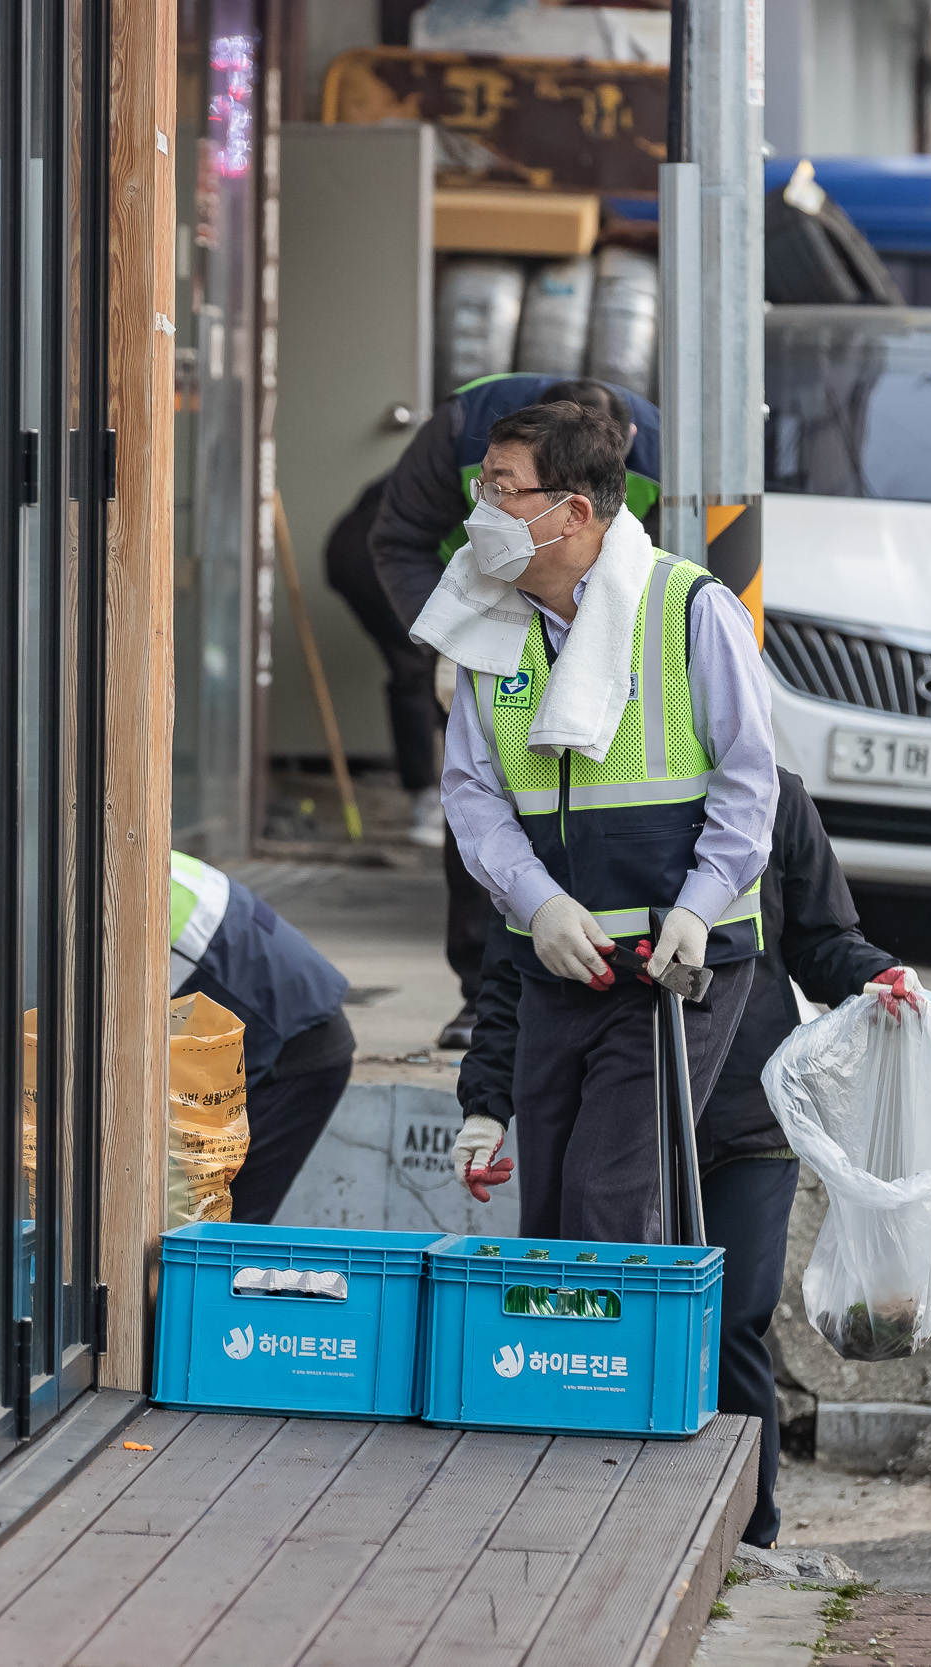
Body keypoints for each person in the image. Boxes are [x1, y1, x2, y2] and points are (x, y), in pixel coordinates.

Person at [454, 768, 922, 1548]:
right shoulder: (573, 798)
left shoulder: (771, 797)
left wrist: (877, 976)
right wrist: (483, 1106)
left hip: (743, 1120)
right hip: (607, 1117)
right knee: (603, 1318)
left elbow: (819, 937)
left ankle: (747, 1533)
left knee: (733, 1320)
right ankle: (602, 1514)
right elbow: (515, 974)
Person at [426, 397, 774, 1243]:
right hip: (558, 964)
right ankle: (559, 1374)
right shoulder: (489, 621)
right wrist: (537, 904)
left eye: (503, 489)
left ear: (573, 512)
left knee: (607, 1204)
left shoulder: (689, 608)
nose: (482, 510)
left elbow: (752, 783)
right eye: (483, 484)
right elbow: (473, 793)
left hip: (672, 968)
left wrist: (698, 907)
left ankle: (604, 1379)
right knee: (548, 1215)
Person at [369, 374, 665, 1049]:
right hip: (486, 614)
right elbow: (396, 541)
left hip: (597, 627)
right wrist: (445, 638)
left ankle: (612, 968)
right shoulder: (461, 436)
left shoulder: (660, 453)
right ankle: (483, 998)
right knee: (484, 797)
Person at [169, 851, 357, 1225]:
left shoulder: (102, 898)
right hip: (283, 1019)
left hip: (290, 1049)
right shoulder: (122, 848)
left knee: (205, 1241)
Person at [323, 477, 444, 846]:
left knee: (424, 668)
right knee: (423, 669)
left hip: (354, 549)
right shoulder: (473, 454)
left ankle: (434, 799)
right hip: (377, 557)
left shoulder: (432, 454)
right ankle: (431, 803)